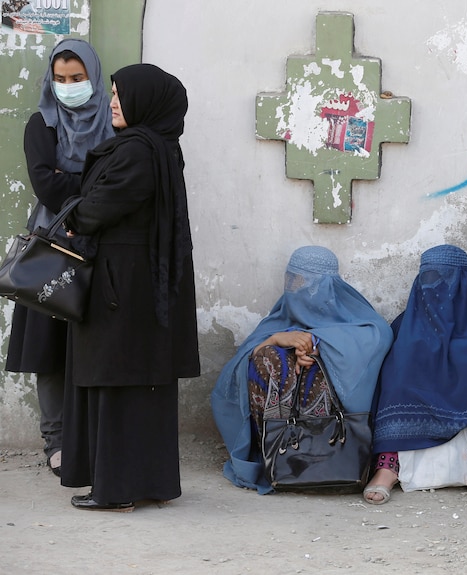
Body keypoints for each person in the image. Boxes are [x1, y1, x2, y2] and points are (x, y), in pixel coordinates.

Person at [60, 63, 200, 511]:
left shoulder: (138, 150)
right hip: (138, 283)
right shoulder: (160, 147)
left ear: (147, 101)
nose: (113, 101)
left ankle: (116, 490)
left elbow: (103, 206)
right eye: (114, 93)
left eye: (121, 94)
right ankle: (146, 484)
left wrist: (74, 214)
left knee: (115, 378)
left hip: (118, 285)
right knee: (139, 382)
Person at [4, 39, 114, 478]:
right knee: (48, 348)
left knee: (97, 342)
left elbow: (121, 179)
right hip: (52, 246)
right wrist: (93, 184)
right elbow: (45, 185)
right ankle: (56, 439)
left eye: (78, 78)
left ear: (94, 76)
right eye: (61, 79)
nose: (69, 87)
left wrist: (76, 179)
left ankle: (93, 436)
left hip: (104, 246)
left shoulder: (115, 121)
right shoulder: (41, 124)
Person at [211, 245, 393, 494]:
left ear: (324, 285)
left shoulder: (359, 320)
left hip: (335, 436)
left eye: (300, 281)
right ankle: (277, 460)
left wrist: (317, 344)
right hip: (283, 437)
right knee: (266, 357)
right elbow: (243, 361)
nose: (293, 288)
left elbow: (378, 335)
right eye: (290, 279)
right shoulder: (280, 319)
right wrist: (277, 340)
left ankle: (326, 462)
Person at [363, 244, 467, 504]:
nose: (435, 288)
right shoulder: (406, 325)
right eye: (428, 279)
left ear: (466, 282)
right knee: (398, 373)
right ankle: (388, 468)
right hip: (417, 405)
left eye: (446, 279)